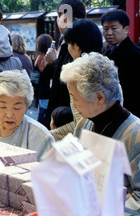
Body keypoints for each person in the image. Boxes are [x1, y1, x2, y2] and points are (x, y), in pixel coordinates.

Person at [61, 52, 140, 216]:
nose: (73, 105)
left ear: (99, 97)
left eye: (75, 98)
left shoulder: (136, 135)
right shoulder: (84, 125)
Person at [0, 70, 54, 160]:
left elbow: (50, 173)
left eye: (17, 108)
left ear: (27, 107)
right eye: (3, 107)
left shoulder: (40, 137)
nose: (9, 115)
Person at [50, 18, 103, 141]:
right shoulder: (106, 67)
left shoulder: (79, 75)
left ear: (77, 46)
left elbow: (81, 124)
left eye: (69, 44)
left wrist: (49, 134)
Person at [43, 0, 86, 128]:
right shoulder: (64, 40)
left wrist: (54, 62)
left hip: (68, 111)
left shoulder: (77, 42)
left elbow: (72, 74)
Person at [101, 9, 140, 119]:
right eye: (105, 29)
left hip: (128, 114)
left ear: (126, 29)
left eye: (114, 28)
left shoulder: (134, 55)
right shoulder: (109, 51)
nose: (109, 33)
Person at [31, 34, 55, 125]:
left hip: (42, 92)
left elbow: (34, 80)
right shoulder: (53, 59)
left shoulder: (39, 59)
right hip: (51, 92)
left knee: (43, 117)